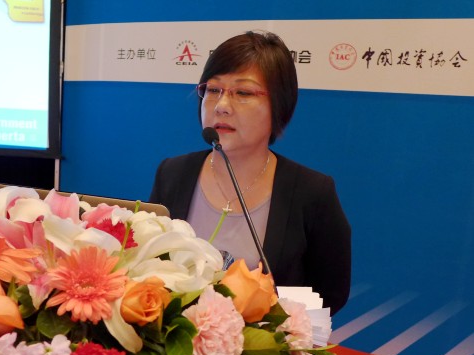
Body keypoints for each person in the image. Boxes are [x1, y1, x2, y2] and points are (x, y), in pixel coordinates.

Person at [149, 31, 351, 315]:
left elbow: (329, 294)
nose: (221, 106)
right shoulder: (173, 173)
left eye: (243, 93)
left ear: (279, 104)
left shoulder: (312, 192)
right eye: (213, 90)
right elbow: (150, 266)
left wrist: (267, 325)